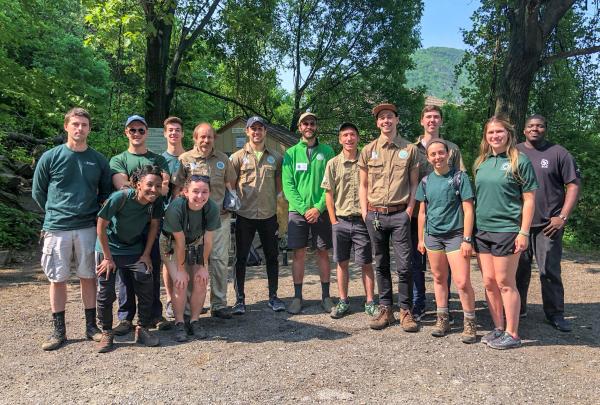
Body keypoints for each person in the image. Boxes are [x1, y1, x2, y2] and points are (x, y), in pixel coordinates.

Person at [32, 107, 112, 351]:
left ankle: (91, 327)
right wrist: (56, 211)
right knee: (58, 278)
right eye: (75, 124)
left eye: (84, 125)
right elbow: (38, 192)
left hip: (88, 226)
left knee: (89, 276)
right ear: (66, 126)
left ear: (89, 129)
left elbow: (106, 193)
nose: (79, 129)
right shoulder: (51, 157)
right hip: (57, 227)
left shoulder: (98, 160)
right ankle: (59, 330)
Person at [473, 116, 538, 350]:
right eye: (490, 133)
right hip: (482, 231)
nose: (495, 136)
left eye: (499, 132)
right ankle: (498, 328)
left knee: (505, 282)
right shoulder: (482, 161)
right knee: (489, 282)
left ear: (508, 134)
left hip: (507, 230)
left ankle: (513, 333)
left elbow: (529, 200)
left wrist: (523, 232)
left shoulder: (519, 160)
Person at [516, 114, 580, 332]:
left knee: (549, 271)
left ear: (546, 129)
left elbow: (573, 185)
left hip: (548, 224)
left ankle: (555, 314)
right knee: (518, 269)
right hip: (519, 224)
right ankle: (518, 309)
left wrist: (562, 216)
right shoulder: (513, 152)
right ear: (524, 130)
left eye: (540, 126)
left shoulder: (558, 153)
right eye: (531, 126)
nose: (535, 129)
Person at [359, 103, 420, 332]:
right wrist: (365, 212)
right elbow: (363, 185)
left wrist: (409, 210)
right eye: (382, 118)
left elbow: (414, 183)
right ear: (377, 123)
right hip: (375, 215)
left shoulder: (410, 149)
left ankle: (406, 310)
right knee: (381, 263)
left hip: (399, 214)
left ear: (397, 120)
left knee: (405, 265)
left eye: (390, 117)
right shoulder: (368, 150)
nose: (386, 121)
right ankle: (386, 309)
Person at [110, 115, 171, 335]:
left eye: (141, 130)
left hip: (153, 221)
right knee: (125, 272)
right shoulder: (118, 159)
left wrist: (148, 188)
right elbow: (121, 186)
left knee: (151, 267)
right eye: (132, 130)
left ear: (147, 133)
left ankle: (154, 313)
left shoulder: (159, 159)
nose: (137, 134)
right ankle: (126, 317)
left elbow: (163, 188)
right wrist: (148, 189)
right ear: (126, 132)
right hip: (126, 225)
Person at [95, 165, 165, 352]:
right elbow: (101, 226)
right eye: (150, 184)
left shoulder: (155, 202)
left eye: (158, 186)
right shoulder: (120, 198)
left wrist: (146, 254)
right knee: (106, 291)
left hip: (134, 249)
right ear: (138, 184)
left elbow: (153, 227)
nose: (154, 189)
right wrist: (107, 258)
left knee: (145, 282)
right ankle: (107, 332)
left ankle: (142, 328)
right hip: (110, 249)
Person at [415, 139, 477, 343]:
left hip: (455, 236)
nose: (437, 157)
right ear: (428, 157)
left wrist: (467, 239)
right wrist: (421, 239)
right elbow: (422, 212)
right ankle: (443, 319)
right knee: (439, 278)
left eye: (440, 153)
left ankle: (469, 321)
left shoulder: (460, 177)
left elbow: (468, 209)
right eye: (433, 154)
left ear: (448, 153)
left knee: (461, 281)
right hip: (433, 237)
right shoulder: (426, 181)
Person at [173, 123, 236, 319]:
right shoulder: (185, 160)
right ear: (194, 138)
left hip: (219, 219)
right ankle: (193, 305)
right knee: (192, 261)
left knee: (218, 260)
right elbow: (177, 189)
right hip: (193, 221)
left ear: (214, 139)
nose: (206, 140)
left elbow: (230, 185)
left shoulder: (223, 159)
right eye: (202, 137)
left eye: (209, 137)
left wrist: (230, 202)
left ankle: (219, 303)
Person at [411, 105, 465, 320]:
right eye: (428, 117)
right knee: (417, 262)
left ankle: (444, 308)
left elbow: (462, 181)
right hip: (419, 214)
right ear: (421, 121)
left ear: (441, 121)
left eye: (436, 117)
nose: (432, 120)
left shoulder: (452, 148)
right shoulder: (411, 148)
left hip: (448, 218)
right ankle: (419, 304)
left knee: (446, 267)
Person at [229, 116, 285, 314]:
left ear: (265, 132)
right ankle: (239, 300)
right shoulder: (236, 157)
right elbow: (231, 185)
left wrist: (281, 214)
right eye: (253, 129)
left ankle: (273, 296)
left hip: (269, 216)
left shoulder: (276, 157)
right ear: (247, 131)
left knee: (272, 256)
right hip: (245, 215)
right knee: (241, 258)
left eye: (260, 128)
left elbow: (279, 189)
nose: (256, 132)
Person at [282, 112, 336, 314]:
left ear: (316, 127)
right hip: (298, 212)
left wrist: (319, 207)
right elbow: (288, 185)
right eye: (305, 123)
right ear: (299, 127)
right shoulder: (290, 153)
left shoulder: (328, 151)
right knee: (299, 254)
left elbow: (330, 183)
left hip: (321, 210)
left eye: (312, 123)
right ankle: (297, 297)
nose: (309, 126)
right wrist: (305, 209)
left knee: (323, 253)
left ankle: (326, 296)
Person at [321, 122, 376, 319]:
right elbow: (328, 193)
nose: (349, 138)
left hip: (361, 221)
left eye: (352, 134)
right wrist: (333, 221)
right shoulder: (333, 163)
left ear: (358, 138)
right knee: (341, 262)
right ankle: (343, 300)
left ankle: (370, 301)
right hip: (341, 221)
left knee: (366, 262)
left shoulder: (367, 161)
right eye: (345, 135)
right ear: (340, 139)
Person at [160, 175, 220, 342]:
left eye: (204, 192)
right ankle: (179, 322)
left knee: (201, 279)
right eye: (195, 191)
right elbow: (179, 242)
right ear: (185, 192)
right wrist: (180, 269)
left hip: (195, 243)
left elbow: (208, 240)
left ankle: (194, 321)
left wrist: (203, 266)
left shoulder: (211, 208)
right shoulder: (176, 207)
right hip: (171, 245)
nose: (200, 196)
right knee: (181, 282)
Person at [161, 116, 186, 320]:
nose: (173, 133)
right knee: (168, 259)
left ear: (182, 134)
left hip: (190, 216)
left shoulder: (191, 157)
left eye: (177, 130)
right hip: (167, 216)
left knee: (189, 258)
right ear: (165, 133)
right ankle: (170, 299)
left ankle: (186, 298)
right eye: (170, 130)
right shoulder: (159, 160)